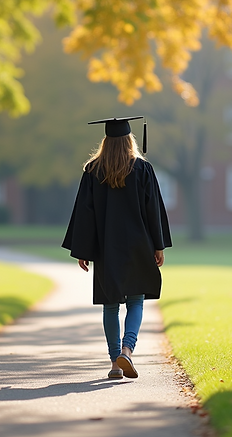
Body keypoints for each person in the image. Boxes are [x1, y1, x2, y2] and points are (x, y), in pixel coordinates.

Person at [62, 116, 172, 380]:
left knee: (110, 306)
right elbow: (152, 210)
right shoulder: (142, 169)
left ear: (105, 141)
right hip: (138, 245)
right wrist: (158, 246)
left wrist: (84, 250)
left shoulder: (92, 171)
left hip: (106, 248)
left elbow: (84, 213)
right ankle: (127, 350)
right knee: (136, 301)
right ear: (129, 140)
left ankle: (114, 362)